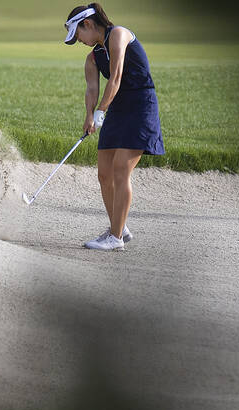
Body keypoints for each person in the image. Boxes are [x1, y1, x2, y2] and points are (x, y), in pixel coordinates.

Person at [64, 3, 164, 251]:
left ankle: (115, 237)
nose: (80, 41)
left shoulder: (118, 34)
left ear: (87, 24)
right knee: (104, 174)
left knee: (121, 170)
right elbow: (91, 89)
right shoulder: (93, 58)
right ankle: (120, 226)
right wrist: (90, 115)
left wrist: (101, 111)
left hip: (140, 105)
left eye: (78, 35)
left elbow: (117, 76)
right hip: (116, 108)